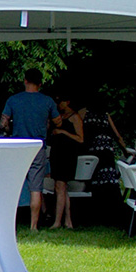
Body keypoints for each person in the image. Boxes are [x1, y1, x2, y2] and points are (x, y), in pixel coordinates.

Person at [0, 68, 59, 231]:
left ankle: (8, 222)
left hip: (17, 146)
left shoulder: (13, 100)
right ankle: (33, 226)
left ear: (25, 80)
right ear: (40, 83)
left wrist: (9, 131)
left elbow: (3, 124)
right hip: (37, 146)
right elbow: (58, 121)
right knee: (36, 187)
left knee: (12, 184)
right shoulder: (47, 101)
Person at [79, 98, 127, 224]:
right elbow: (117, 135)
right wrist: (125, 150)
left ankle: (97, 211)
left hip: (93, 150)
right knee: (109, 179)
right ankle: (112, 211)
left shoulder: (84, 112)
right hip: (107, 151)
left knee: (95, 179)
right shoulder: (105, 115)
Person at [48, 93, 85, 229]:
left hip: (67, 155)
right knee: (61, 188)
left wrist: (63, 132)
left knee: (60, 186)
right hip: (57, 154)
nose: (59, 104)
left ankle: (57, 221)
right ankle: (68, 221)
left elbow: (80, 139)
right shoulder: (59, 118)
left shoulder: (75, 117)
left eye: (60, 101)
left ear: (67, 102)